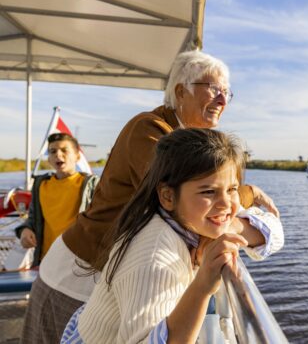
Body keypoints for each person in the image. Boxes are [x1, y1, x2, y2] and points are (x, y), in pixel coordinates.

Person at [20, 50, 281, 344]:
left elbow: (198, 212)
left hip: (114, 285)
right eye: (214, 89)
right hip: (75, 279)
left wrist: (221, 223)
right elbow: (174, 200)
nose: (222, 100)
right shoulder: (150, 129)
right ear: (180, 91)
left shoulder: (185, 146)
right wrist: (245, 195)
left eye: (227, 93)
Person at [62, 128, 283, 343]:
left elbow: (276, 234)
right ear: (168, 196)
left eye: (233, 189)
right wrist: (203, 286)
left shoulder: (181, 218)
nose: (226, 203)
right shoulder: (155, 258)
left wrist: (227, 226)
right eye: (208, 191)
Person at [14, 133, 98, 267]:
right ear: (49, 159)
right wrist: (24, 230)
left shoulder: (91, 184)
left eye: (64, 150)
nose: (58, 155)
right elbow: (33, 219)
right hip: (46, 262)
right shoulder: (40, 185)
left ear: (77, 156)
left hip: (79, 263)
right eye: (52, 151)